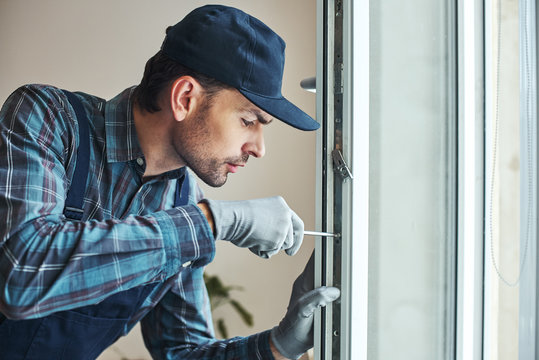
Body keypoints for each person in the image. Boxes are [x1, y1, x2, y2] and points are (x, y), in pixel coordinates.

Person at [0, 5, 339, 360]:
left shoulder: (182, 202)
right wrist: (213, 222)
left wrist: (279, 346)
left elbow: (182, 352)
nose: (258, 149)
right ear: (185, 98)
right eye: (248, 120)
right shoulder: (48, 118)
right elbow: (21, 273)